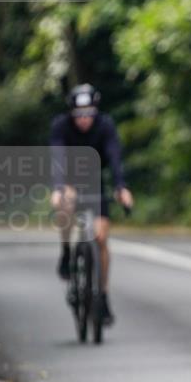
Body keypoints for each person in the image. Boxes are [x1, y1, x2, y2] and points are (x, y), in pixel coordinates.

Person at [50, 84, 134, 325]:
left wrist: (121, 188)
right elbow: (57, 158)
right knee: (64, 206)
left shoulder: (105, 125)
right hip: (69, 181)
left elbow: (114, 156)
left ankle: (103, 295)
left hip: (96, 182)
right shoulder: (60, 126)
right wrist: (59, 189)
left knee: (101, 238)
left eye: (89, 114)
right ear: (71, 113)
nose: (84, 119)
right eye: (79, 115)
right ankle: (67, 252)